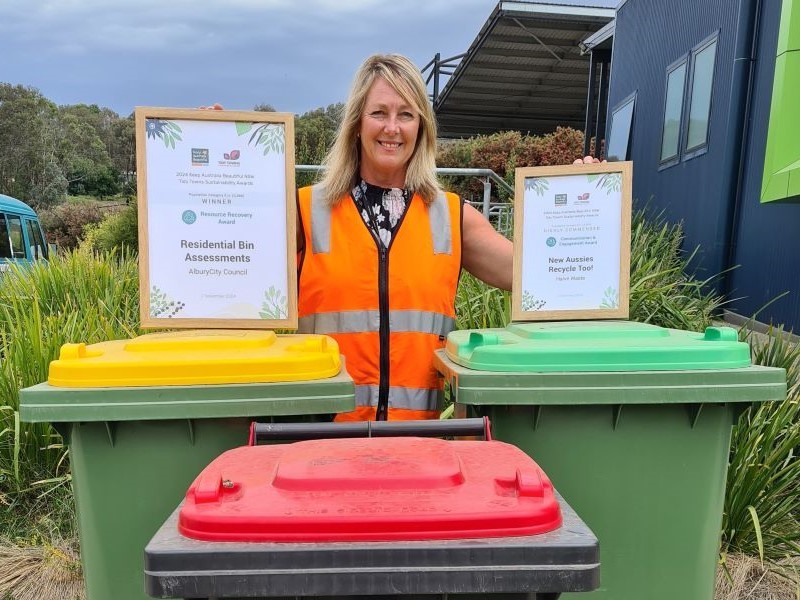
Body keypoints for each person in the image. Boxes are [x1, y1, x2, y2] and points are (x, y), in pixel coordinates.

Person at [297, 53, 512, 422]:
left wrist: (581, 203)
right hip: (320, 447)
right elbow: (233, 259)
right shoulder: (305, 211)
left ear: (422, 127)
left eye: (406, 115)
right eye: (379, 112)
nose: (392, 128)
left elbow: (545, 278)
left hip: (416, 450)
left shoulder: (452, 217)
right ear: (356, 123)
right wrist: (209, 146)